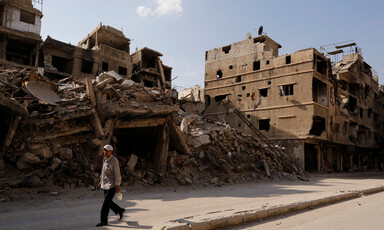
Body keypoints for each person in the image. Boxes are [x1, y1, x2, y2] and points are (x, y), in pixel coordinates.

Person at [96, 144, 125, 227]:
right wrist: (101, 181)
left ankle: (104, 221)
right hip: (105, 184)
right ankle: (119, 210)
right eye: (104, 150)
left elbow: (117, 174)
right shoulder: (105, 159)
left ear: (111, 151)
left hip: (112, 185)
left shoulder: (114, 161)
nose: (105, 152)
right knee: (108, 202)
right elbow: (103, 171)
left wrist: (117, 185)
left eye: (107, 150)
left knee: (105, 204)